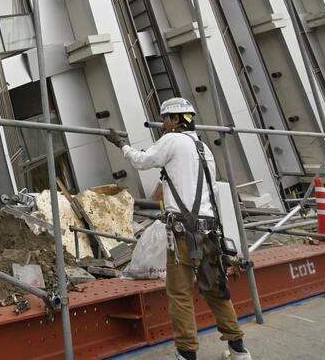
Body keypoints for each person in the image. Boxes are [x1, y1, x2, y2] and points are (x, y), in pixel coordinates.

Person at [105, 97, 250, 360]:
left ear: (175, 120)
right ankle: (239, 350)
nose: (162, 125)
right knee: (217, 290)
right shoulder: (204, 148)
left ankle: (187, 354)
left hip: (184, 234)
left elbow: (141, 161)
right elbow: (213, 192)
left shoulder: (172, 140)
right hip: (210, 232)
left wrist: (121, 145)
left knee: (180, 294)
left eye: (165, 119)